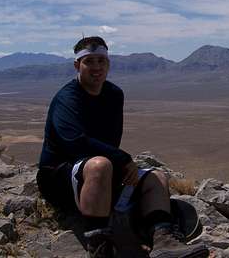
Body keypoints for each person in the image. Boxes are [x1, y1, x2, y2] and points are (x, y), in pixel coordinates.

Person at [37, 36, 209, 258]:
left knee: (156, 177)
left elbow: (110, 140)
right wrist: (120, 158)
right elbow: (75, 142)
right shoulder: (67, 98)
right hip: (58, 177)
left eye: (102, 61)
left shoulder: (114, 94)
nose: (97, 67)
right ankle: (100, 246)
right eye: (89, 61)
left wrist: (120, 167)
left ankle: (164, 241)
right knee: (101, 165)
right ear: (77, 65)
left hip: (98, 172)